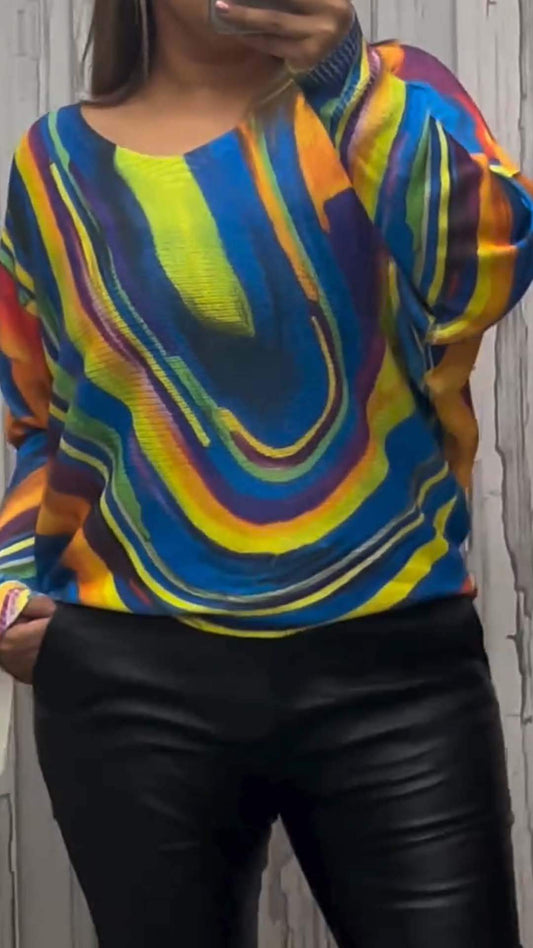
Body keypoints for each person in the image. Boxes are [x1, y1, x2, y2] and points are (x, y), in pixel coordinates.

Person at [0, 0, 532, 944]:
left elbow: (485, 268)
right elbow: (44, 420)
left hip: (392, 670)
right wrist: (9, 589)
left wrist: (342, 79)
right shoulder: (53, 163)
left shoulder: (394, 92)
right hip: (132, 684)